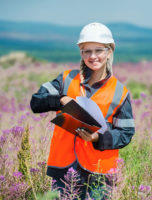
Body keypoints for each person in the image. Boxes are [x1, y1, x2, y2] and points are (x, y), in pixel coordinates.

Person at [30, 22, 135, 199]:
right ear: (81, 53)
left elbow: (126, 133)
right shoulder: (66, 79)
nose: (93, 56)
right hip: (63, 167)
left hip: (100, 172)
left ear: (109, 52)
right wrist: (60, 100)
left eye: (98, 50)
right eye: (87, 51)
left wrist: (98, 138)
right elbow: (36, 102)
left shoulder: (120, 92)